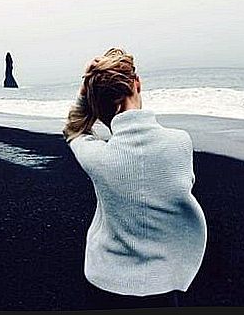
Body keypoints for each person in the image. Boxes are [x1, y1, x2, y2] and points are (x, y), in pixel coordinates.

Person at [62, 48, 208, 310]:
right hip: (161, 283)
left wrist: (85, 92)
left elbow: (74, 129)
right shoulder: (179, 143)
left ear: (100, 102)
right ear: (137, 84)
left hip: (103, 281)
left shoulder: (96, 156)